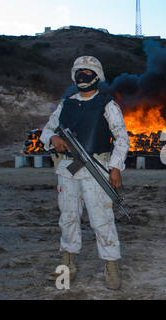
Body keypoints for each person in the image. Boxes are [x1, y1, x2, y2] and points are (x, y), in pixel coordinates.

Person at [40, 56, 130, 290]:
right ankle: (67, 266)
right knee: (68, 217)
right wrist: (53, 138)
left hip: (95, 168)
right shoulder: (65, 104)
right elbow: (47, 130)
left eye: (88, 72)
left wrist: (116, 167)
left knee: (102, 220)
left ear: (97, 76)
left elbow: (121, 138)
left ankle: (111, 267)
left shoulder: (107, 104)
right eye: (79, 71)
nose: (83, 75)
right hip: (67, 170)